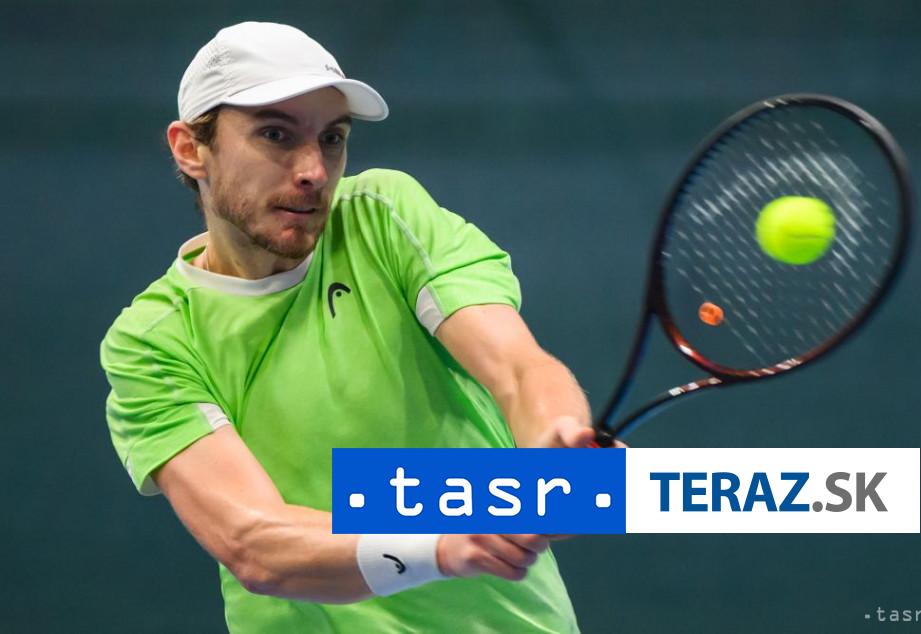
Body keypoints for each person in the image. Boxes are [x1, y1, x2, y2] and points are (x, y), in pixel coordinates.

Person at [100, 21, 599, 633]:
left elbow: (518, 369)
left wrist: (556, 444)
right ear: (189, 148)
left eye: (332, 138)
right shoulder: (153, 340)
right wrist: (441, 545)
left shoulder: (384, 216)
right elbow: (254, 544)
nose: (314, 169)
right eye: (276, 135)